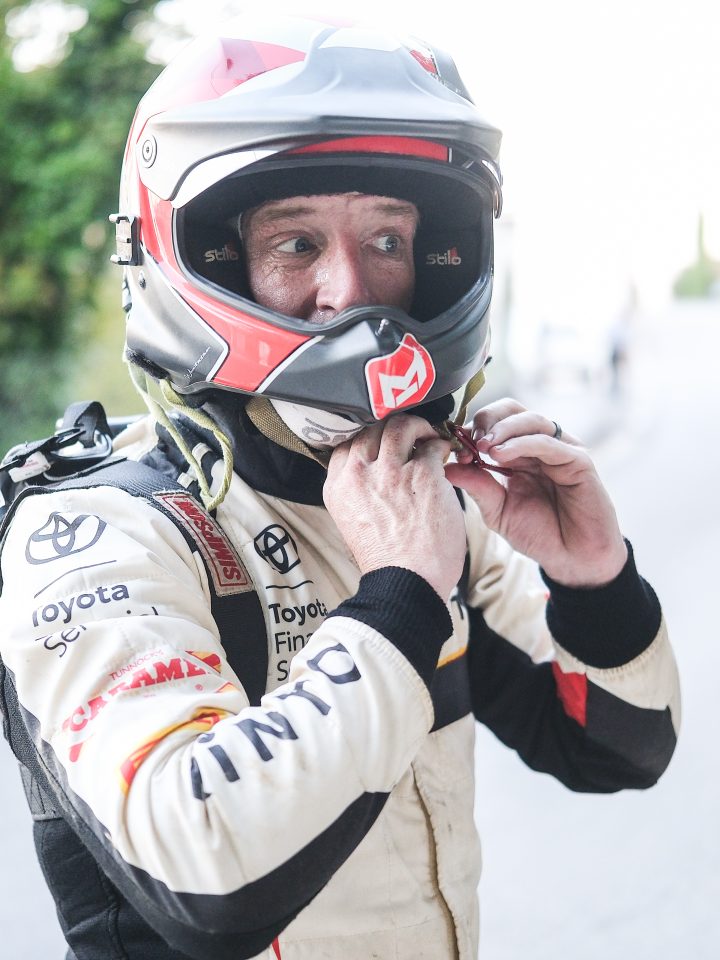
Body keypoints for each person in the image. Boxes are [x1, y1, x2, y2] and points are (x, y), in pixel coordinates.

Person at [0, 12, 680, 960]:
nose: (350, 293)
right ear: (205, 257)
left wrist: (594, 580)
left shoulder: (425, 500)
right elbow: (208, 880)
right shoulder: (101, 531)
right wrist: (399, 597)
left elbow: (615, 749)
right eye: (296, 245)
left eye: (388, 240)